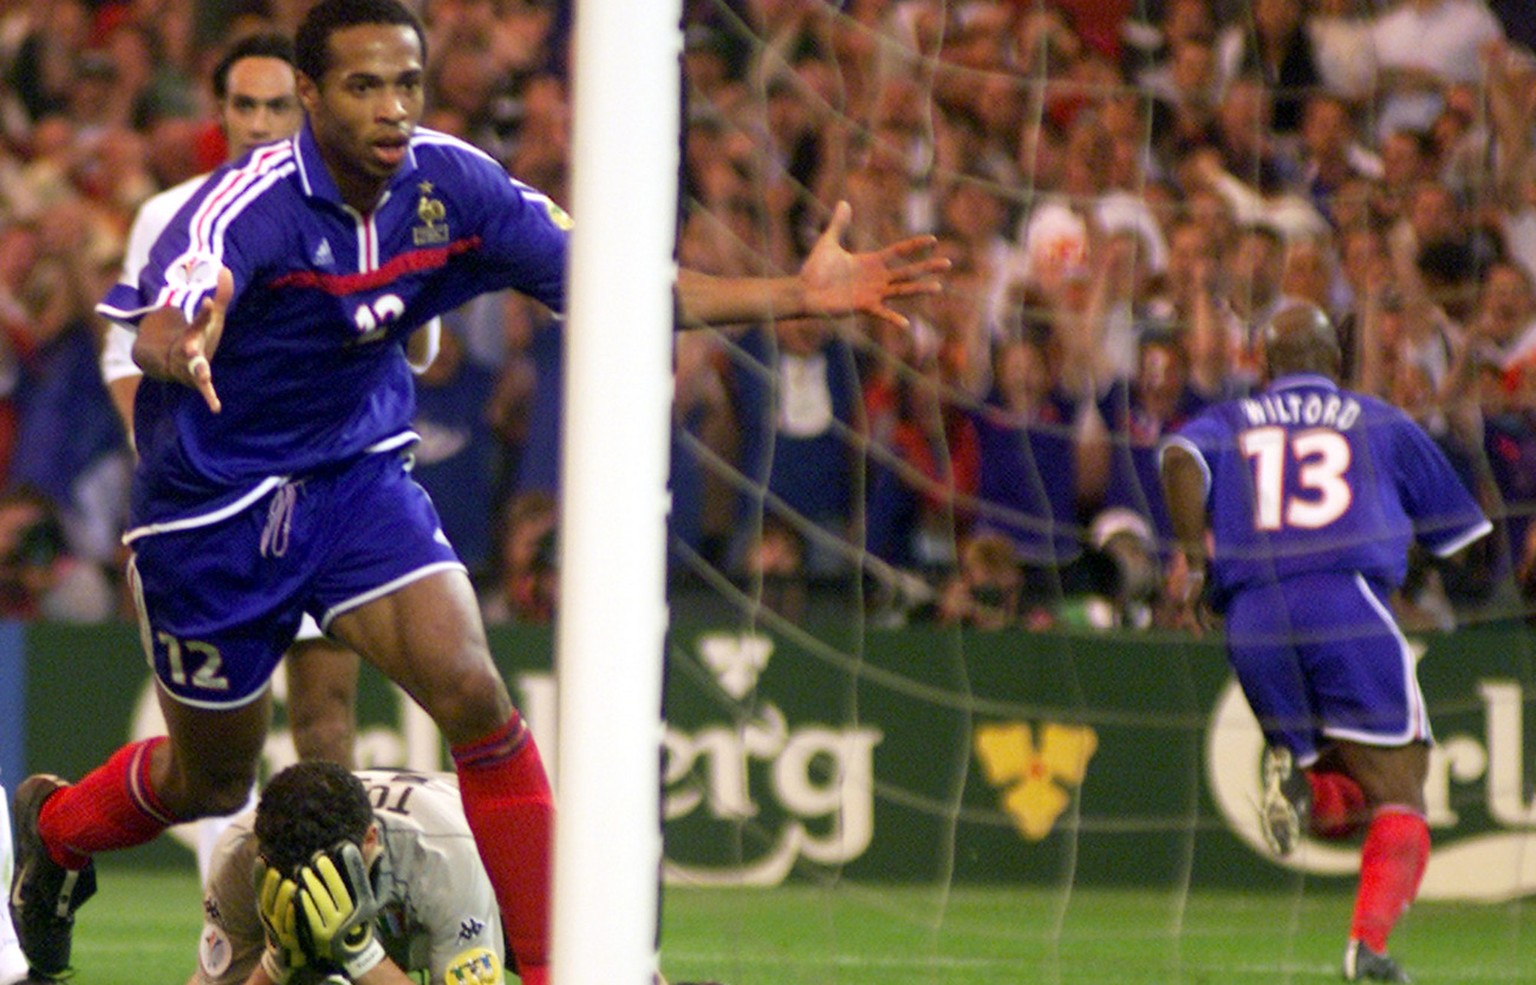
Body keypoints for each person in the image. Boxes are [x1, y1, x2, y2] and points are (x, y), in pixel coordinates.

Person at [10, 3, 945, 985]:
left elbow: (618, 284)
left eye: (406, 83)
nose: (392, 107)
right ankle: (58, 830)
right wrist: (187, 340)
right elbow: (175, 313)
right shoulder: (247, 206)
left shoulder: (452, 186)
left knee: (475, 694)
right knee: (212, 778)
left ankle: (551, 974)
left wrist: (791, 295)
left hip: (355, 479)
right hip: (216, 512)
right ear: (315, 97)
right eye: (365, 86)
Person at [94, 30, 365, 884]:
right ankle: (223, 922)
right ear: (220, 113)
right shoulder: (168, 216)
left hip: (319, 494)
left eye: (276, 105)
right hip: (208, 512)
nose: (258, 121)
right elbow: (123, 356)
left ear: (308, 107)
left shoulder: (352, 208)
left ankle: (336, 915)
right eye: (243, 105)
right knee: (216, 761)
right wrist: (179, 469)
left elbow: (408, 345)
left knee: (326, 714)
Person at [1159, 303, 1492, 982]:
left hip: (1251, 616)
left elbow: (1177, 456)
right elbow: (1466, 541)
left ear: (1262, 366)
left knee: (1340, 783)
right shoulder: (1377, 418)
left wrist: (1194, 561)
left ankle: (1312, 789)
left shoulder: (1231, 419)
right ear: (1334, 364)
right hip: (1345, 603)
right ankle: (1367, 945)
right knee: (1401, 790)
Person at [195, 761, 502, 985]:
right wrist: (276, 964)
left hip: (500, 871)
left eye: (331, 873)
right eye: (293, 879)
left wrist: (361, 953)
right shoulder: (239, 853)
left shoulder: (444, 856)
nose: (313, 893)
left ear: (369, 840)